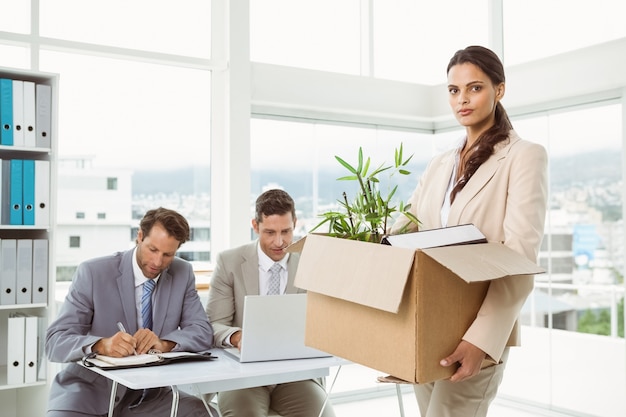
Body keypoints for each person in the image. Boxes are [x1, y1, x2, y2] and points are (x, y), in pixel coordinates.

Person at [391, 45, 548, 417]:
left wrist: (482, 340)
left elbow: (520, 258)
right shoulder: (439, 164)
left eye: (475, 88)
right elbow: (407, 225)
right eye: (453, 90)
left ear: (500, 90)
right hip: (427, 320)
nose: (462, 99)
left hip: (477, 326)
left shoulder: (524, 156)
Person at [45, 207, 216, 417]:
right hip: (89, 395)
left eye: (167, 255)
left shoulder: (182, 272)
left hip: (149, 398)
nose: (157, 262)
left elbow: (201, 331)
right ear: (140, 236)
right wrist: (101, 345)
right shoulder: (93, 272)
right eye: (152, 250)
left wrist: (165, 343)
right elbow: (55, 341)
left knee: (204, 412)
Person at [206, 189, 336, 417]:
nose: (280, 242)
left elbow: (324, 323)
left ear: (295, 223)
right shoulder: (230, 262)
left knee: (322, 414)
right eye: (269, 232)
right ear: (255, 226)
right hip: (241, 376)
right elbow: (213, 324)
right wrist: (237, 337)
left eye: (286, 231)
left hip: (296, 376)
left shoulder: (312, 262)